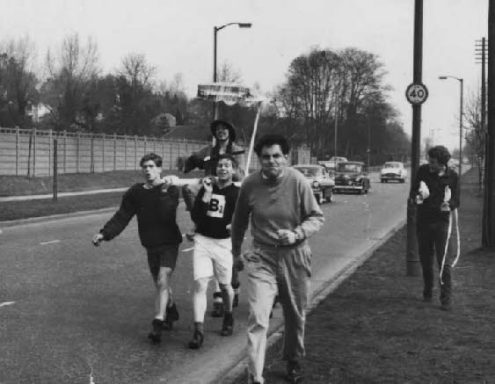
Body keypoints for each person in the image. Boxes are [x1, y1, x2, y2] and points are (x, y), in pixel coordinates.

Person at [230, 134, 325, 384]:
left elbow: (316, 217)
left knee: (295, 314)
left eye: (276, 156)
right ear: (259, 159)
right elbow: (238, 222)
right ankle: (255, 375)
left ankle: (293, 359)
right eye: (265, 157)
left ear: (285, 157)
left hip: (295, 256)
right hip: (262, 257)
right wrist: (235, 253)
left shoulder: (297, 181)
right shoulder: (250, 184)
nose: (271, 161)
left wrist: (296, 234)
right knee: (258, 316)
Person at [92, 153, 182, 344]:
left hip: (169, 243)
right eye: (145, 167)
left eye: (151, 166)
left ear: (160, 169)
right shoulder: (135, 192)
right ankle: (171, 310)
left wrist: (165, 190)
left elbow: (167, 211)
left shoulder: (171, 189)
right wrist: (104, 233)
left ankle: (158, 323)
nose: (148, 170)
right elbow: (122, 216)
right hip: (150, 245)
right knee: (160, 284)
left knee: (162, 279)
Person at [180, 119, 245, 317]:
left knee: (227, 243)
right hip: (210, 188)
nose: (221, 132)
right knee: (188, 189)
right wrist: (185, 162)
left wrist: (228, 175)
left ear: (230, 132)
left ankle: (229, 287)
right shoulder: (209, 150)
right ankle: (198, 222)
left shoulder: (238, 151)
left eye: (225, 129)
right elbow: (192, 161)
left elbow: (240, 174)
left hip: (228, 190)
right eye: (218, 130)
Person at [187, 154, 240, 349]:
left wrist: (233, 226)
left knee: (226, 286)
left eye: (227, 166)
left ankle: (228, 316)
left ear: (233, 170)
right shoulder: (207, 188)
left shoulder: (236, 193)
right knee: (201, 284)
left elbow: (241, 218)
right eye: (220, 166)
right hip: (203, 240)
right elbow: (195, 215)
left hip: (223, 244)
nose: (223, 169)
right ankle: (198, 330)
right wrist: (207, 195)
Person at [412, 145, 460, 311]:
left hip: (442, 223)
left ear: (442, 163)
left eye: (432, 162)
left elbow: (457, 201)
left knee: (443, 262)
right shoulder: (423, 171)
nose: (429, 164)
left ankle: (446, 299)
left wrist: (450, 204)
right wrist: (417, 197)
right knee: (426, 260)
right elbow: (413, 193)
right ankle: (427, 293)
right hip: (424, 221)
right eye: (429, 160)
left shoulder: (452, 176)